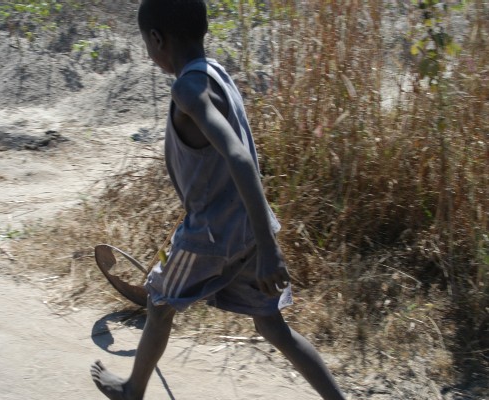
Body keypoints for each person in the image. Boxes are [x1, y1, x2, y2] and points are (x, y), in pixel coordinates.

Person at [91, 1, 346, 399]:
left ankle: (131, 391)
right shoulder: (216, 73)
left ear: (156, 39)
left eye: (146, 42)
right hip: (247, 227)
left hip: (210, 235)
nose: (147, 51)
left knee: (159, 303)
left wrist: (269, 249)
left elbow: (239, 158)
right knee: (272, 326)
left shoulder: (187, 88)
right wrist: (262, 242)